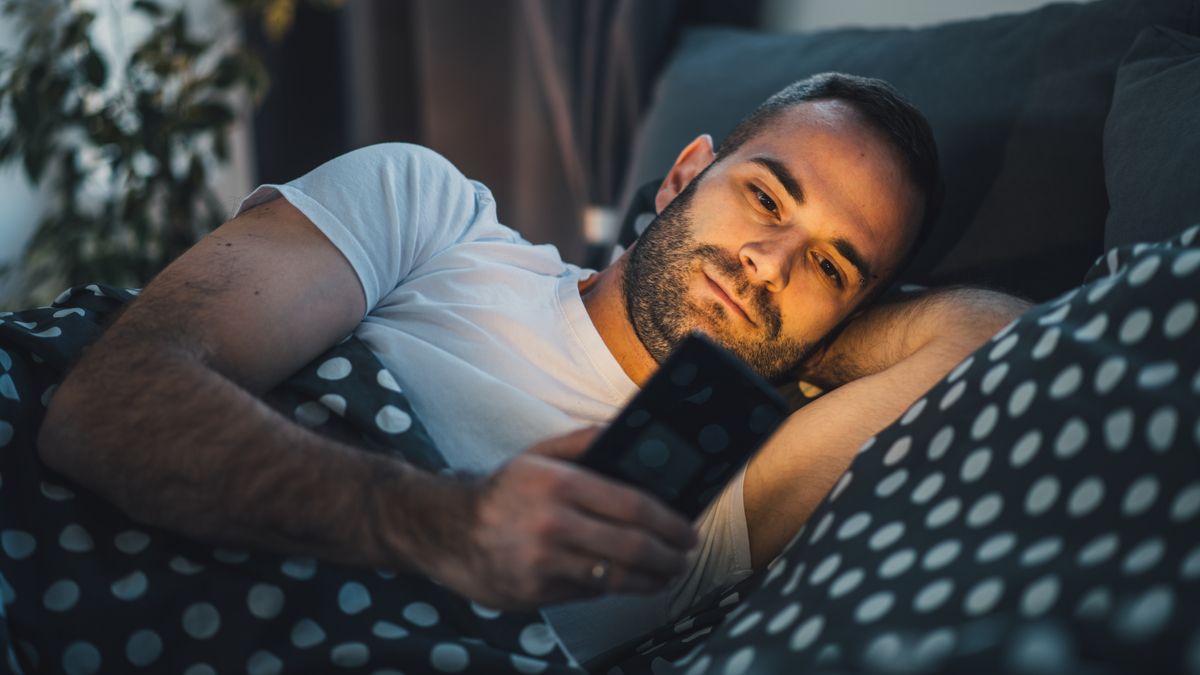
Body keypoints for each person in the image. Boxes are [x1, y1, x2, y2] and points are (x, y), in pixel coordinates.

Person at [36, 73, 1029, 661]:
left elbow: (992, 337)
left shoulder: (725, 501)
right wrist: (444, 524)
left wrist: (806, 326)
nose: (767, 266)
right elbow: (110, 404)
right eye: (767, 197)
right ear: (685, 174)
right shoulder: (436, 218)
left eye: (830, 262)